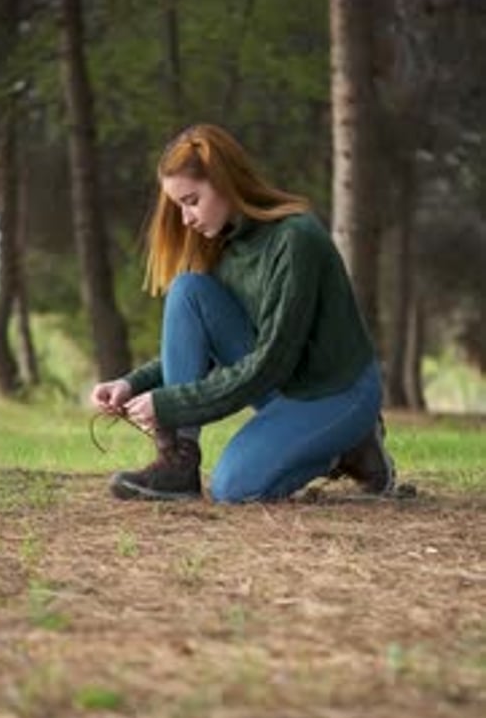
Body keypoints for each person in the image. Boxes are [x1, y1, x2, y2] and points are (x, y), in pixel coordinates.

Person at [90, 123, 395, 503]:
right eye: (179, 205)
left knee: (234, 488)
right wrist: (132, 384)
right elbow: (196, 348)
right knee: (187, 291)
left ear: (225, 182)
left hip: (338, 392)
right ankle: (178, 464)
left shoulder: (295, 239)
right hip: (286, 385)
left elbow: (271, 362)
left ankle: (352, 446)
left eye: (191, 201)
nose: (185, 219)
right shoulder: (224, 244)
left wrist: (169, 404)